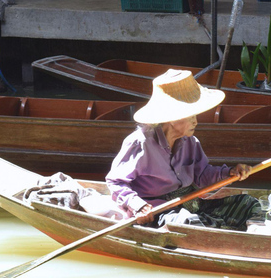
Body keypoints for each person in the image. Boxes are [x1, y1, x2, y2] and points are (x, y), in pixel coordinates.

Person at [106, 69, 260, 231]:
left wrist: (230, 173)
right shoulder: (140, 142)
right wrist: (138, 206)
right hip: (159, 211)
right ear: (173, 117)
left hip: (191, 204)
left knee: (247, 203)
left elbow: (202, 175)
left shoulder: (190, 142)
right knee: (189, 223)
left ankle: (217, 229)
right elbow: (115, 182)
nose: (196, 122)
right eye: (191, 116)